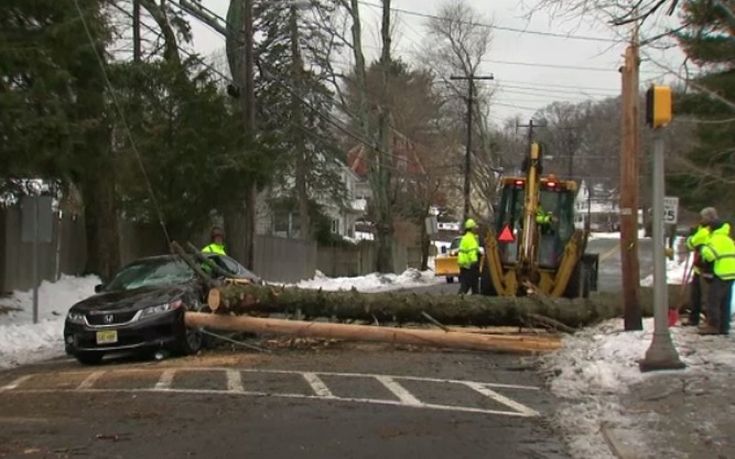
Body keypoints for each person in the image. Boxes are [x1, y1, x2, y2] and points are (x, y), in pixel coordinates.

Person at [699, 218, 735, 335]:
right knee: (726, 302)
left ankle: (713, 326)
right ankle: (724, 327)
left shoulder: (715, 239)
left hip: (720, 274)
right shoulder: (728, 239)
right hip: (731, 273)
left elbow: (710, 256)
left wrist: (703, 248)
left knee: (713, 301)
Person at [684, 207, 717, 326]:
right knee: (698, 295)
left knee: (702, 295)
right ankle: (698, 318)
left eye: (703, 217)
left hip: (705, 267)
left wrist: (691, 239)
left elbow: (691, 243)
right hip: (705, 266)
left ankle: (700, 319)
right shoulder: (712, 229)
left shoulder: (705, 230)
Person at [458, 218, 481, 295]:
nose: (476, 229)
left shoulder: (464, 238)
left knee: (469, 286)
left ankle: (473, 299)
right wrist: (475, 262)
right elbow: (472, 252)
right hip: (470, 266)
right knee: (467, 287)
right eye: (475, 228)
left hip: (463, 266)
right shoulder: (471, 239)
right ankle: (458, 301)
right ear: (472, 229)